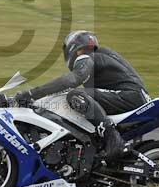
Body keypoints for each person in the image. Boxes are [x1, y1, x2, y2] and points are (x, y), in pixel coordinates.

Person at [14, 30, 150, 163]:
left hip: (129, 97)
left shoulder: (87, 56)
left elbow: (72, 80)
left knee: (77, 95)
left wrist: (32, 94)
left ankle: (113, 140)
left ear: (72, 48)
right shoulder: (101, 55)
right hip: (132, 97)